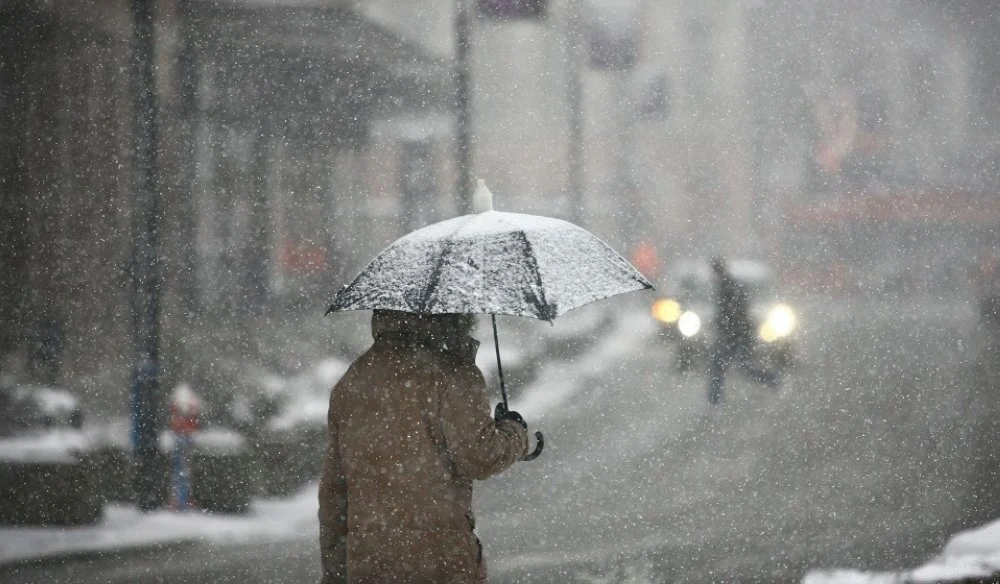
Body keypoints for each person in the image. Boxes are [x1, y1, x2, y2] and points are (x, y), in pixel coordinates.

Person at [318, 310, 530, 583]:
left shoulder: (352, 381)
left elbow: (334, 493)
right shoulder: (454, 373)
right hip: (440, 561)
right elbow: (481, 456)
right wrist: (515, 432)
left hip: (369, 564)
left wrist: (335, 573)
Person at [707, 257, 779, 405]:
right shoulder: (727, 285)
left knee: (735, 366)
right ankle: (715, 399)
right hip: (736, 334)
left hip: (736, 335)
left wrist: (725, 325)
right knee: (731, 366)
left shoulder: (728, 287)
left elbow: (734, 312)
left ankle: (772, 379)